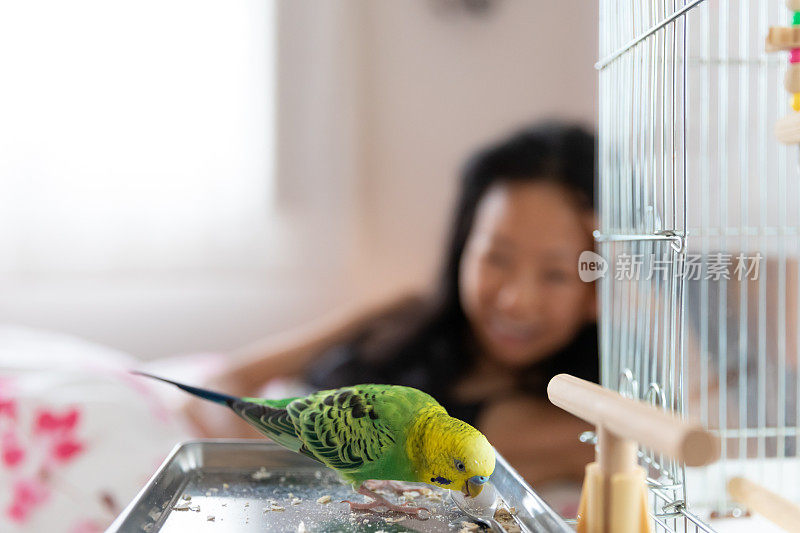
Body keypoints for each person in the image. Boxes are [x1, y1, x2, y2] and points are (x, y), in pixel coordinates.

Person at [182, 122, 599, 487]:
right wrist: (247, 447)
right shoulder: (404, 314)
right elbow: (224, 381)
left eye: (556, 274)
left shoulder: (566, 423)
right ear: (464, 246)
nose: (516, 301)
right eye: (497, 257)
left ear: (598, 288)